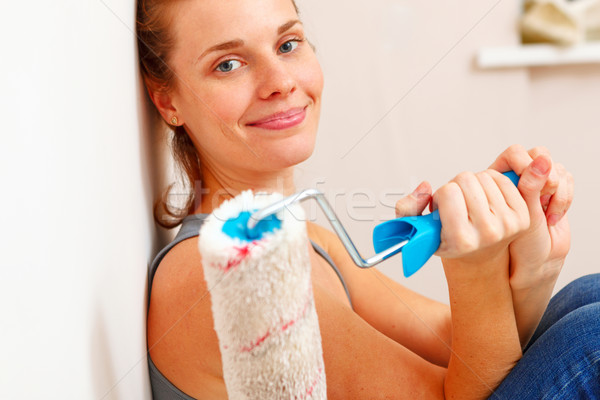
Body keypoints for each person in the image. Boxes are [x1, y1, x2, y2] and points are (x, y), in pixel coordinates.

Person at [136, 0, 599, 398]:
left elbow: (455, 340)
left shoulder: (307, 237)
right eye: (228, 65)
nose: (280, 81)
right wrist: (476, 269)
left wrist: (533, 267)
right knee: (589, 339)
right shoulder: (222, 272)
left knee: (586, 295)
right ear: (168, 102)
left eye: (288, 45)